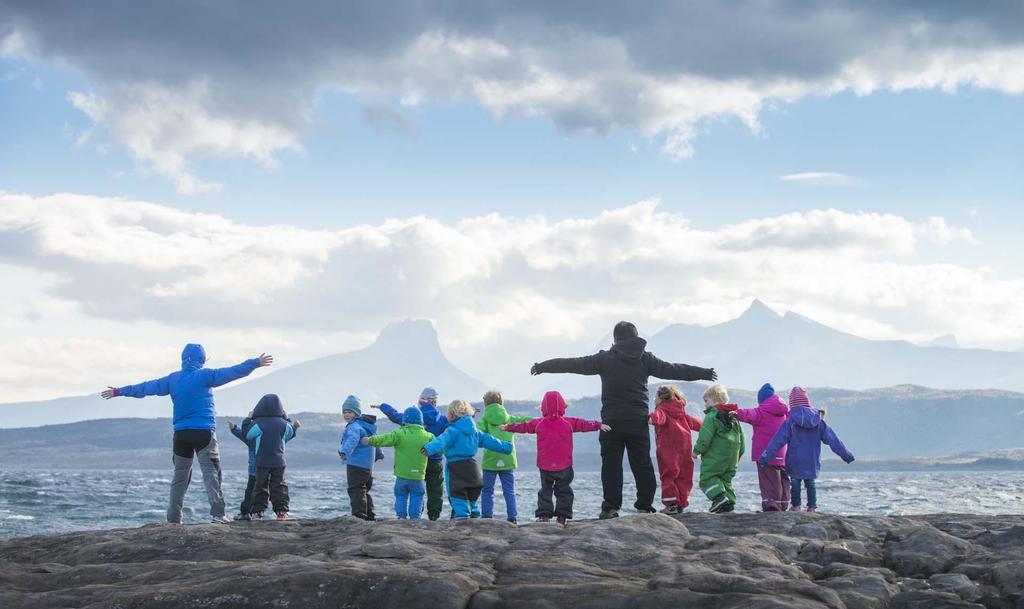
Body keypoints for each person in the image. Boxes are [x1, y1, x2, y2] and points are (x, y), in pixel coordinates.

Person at [530, 321, 716, 519]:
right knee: (642, 464)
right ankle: (644, 506)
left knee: (611, 465)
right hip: (638, 421)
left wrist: (542, 367)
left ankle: (610, 508)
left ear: (615, 339)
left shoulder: (604, 359)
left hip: (612, 422)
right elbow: (675, 369)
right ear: (635, 338)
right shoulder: (646, 360)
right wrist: (703, 372)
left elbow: (572, 364)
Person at [100, 344, 272, 524]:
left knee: (180, 477)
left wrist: (119, 391)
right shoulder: (206, 375)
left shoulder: (172, 379)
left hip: (181, 434)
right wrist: (255, 363)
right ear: (202, 360)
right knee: (211, 474)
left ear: (184, 359)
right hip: (203, 432)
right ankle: (218, 515)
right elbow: (233, 371)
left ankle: (174, 519)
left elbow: (146, 387)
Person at [502, 390, 608, 525]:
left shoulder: (538, 423)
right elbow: (585, 424)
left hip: (545, 465)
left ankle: (544, 516)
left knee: (545, 490)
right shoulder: (569, 422)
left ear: (543, 407)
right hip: (565, 464)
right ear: (563, 406)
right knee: (564, 490)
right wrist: (598, 425)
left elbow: (523, 427)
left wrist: (508, 427)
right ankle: (562, 517)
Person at [758, 386, 855, 512]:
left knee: (796, 483)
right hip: (812, 460)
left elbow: (777, 441)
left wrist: (765, 457)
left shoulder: (790, 422)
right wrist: (847, 455)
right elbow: (834, 440)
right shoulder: (818, 421)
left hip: (795, 460)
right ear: (807, 402)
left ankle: (796, 506)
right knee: (810, 483)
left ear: (792, 403)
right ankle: (812, 507)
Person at [422, 400, 512, 519]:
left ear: (452, 414)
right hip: (473, 468)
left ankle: (461, 519)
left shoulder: (452, 430)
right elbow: (489, 440)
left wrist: (428, 448)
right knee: (472, 497)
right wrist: (506, 446)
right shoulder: (474, 431)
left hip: (456, 467)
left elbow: (441, 441)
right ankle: (475, 515)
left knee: (457, 495)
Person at [379, 387, 449, 520]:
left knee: (417, 491)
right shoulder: (443, 420)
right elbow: (453, 430)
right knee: (435, 490)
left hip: (417, 460)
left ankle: (415, 516)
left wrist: (383, 406)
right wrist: (469, 415)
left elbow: (395, 416)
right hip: (435, 461)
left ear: (421, 401)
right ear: (435, 401)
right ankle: (433, 516)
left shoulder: (412, 418)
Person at [362, 406, 435, 519]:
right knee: (417, 496)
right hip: (418, 476)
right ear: (421, 421)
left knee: (401, 496)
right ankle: (415, 519)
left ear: (405, 420)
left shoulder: (400, 433)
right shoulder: (428, 436)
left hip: (402, 476)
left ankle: (401, 518)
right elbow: (438, 446)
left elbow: (385, 438)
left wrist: (371, 440)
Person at [476, 389, 533, 523]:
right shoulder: (509, 419)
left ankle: (486, 517)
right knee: (509, 491)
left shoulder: (484, 420)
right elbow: (526, 421)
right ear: (501, 402)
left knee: (487, 491)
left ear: (485, 403)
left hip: (490, 460)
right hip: (507, 459)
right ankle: (512, 518)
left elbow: (476, 433)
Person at [735, 383, 791, 511]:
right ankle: (783, 503)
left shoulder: (761, 412)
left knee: (768, 479)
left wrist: (734, 413)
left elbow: (748, 414)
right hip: (783, 454)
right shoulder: (784, 413)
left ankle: (771, 504)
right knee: (783, 479)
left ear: (761, 400)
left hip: (765, 454)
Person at [243, 394, 300, 520]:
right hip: (279, 462)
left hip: (261, 461)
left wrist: (248, 419)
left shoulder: (258, 424)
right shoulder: (283, 424)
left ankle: (257, 512)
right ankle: (281, 512)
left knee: (260, 486)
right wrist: (287, 418)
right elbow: (291, 433)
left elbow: (247, 434)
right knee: (279, 486)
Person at [649, 385, 703, 514]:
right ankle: (681, 503)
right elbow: (700, 425)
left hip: (668, 449)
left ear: (661, 398)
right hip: (685, 449)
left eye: (655, 397)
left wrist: (650, 418)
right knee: (684, 475)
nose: (654, 400)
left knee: (669, 475)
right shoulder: (682, 413)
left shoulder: (662, 410)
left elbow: (657, 419)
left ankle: (671, 503)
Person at [693, 384, 745, 513]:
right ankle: (729, 503)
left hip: (715, 457)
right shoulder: (734, 418)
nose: (705, 404)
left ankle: (719, 497)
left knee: (707, 478)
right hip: (732, 459)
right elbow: (742, 439)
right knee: (725, 480)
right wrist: (739, 455)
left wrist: (696, 451)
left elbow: (705, 436)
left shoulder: (711, 416)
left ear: (714, 399)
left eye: (706, 401)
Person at [338, 395, 385, 520]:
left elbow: (352, 440)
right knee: (364, 490)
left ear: (356, 413)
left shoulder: (354, 426)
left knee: (356, 490)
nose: (346, 415)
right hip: (368, 466)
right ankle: (370, 515)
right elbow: (374, 441)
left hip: (356, 464)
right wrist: (379, 454)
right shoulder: (367, 426)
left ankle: (359, 515)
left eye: (350, 412)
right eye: (344, 412)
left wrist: (344, 452)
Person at [227, 411, 257, 520]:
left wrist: (234, 428)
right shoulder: (272, 434)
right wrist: (288, 420)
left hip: (254, 469)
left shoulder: (252, 437)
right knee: (268, 491)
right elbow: (286, 433)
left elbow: (244, 433)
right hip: (272, 467)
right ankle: (260, 513)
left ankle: (246, 513)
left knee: (250, 491)